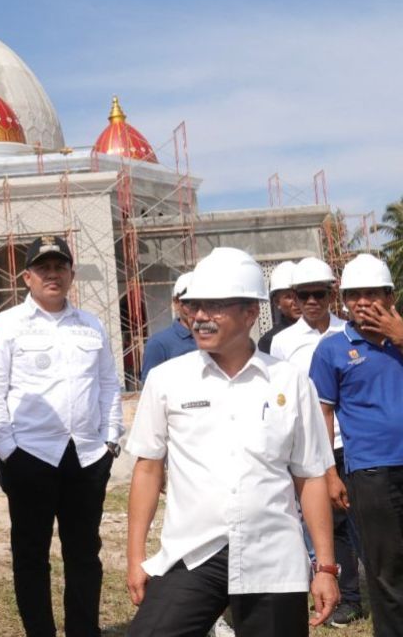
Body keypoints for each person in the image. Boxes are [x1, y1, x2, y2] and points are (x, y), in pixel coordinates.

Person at [126, 247, 338, 636]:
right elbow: (148, 467)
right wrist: (136, 555)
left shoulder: (290, 382)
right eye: (196, 306)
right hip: (194, 553)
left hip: (272, 555)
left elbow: (309, 477)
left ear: (250, 313)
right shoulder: (167, 380)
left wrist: (324, 566)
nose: (201, 317)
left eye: (216, 306)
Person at [0, 235, 124, 637]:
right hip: (30, 457)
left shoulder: (91, 325)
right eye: (44, 268)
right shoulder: (5, 326)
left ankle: (83, 631)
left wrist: (111, 441)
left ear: (71, 274)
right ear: (27, 277)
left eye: (60, 267)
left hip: (87, 457)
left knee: (84, 554)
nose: (53, 275)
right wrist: (8, 451)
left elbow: (109, 385)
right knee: (30, 555)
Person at [265, 256, 362, 626]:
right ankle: (347, 597)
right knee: (327, 524)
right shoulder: (283, 343)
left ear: (330, 293)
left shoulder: (348, 332)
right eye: (302, 295)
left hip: (347, 440)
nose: (311, 301)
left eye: (318, 294)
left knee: (361, 521)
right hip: (306, 444)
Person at [310, 253, 403, 636]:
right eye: (353, 295)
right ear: (343, 301)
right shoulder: (332, 350)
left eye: (371, 293)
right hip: (370, 472)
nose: (362, 302)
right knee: (386, 568)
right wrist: (330, 473)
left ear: (389, 296)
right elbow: (322, 416)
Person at [140, 271, 197, 381]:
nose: (197, 309)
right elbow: (151, 389)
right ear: (176, 303)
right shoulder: (159, 344)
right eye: (190, 303)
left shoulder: (217, 339)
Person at [257, 261, 300, 353]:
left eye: (299, 295)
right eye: (288, 297)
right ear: (277, 302)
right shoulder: (269, 341)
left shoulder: (321, 331)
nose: (296, 302)